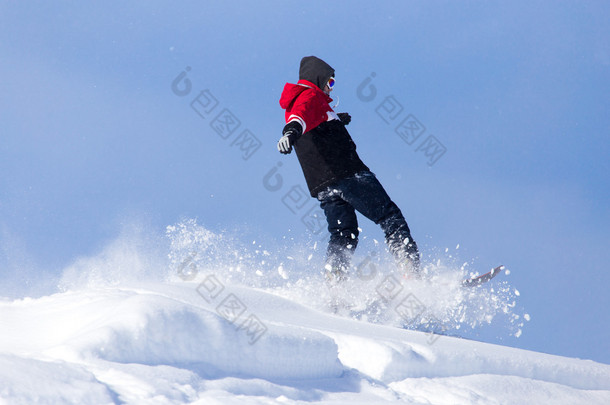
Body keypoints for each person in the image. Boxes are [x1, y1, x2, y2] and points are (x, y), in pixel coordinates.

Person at [278, 55, 420, 283]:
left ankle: (334, 286)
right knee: (390, 217)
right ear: (318, 78)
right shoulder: (310, 95)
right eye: (329, 82)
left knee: (344, 235)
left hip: (323, 185)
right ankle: (411, 272)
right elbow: (300, 117)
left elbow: (310, 122)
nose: (330, 87)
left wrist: (335, 119)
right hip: (348, 173)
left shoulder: (309, 102)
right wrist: (290, 132)